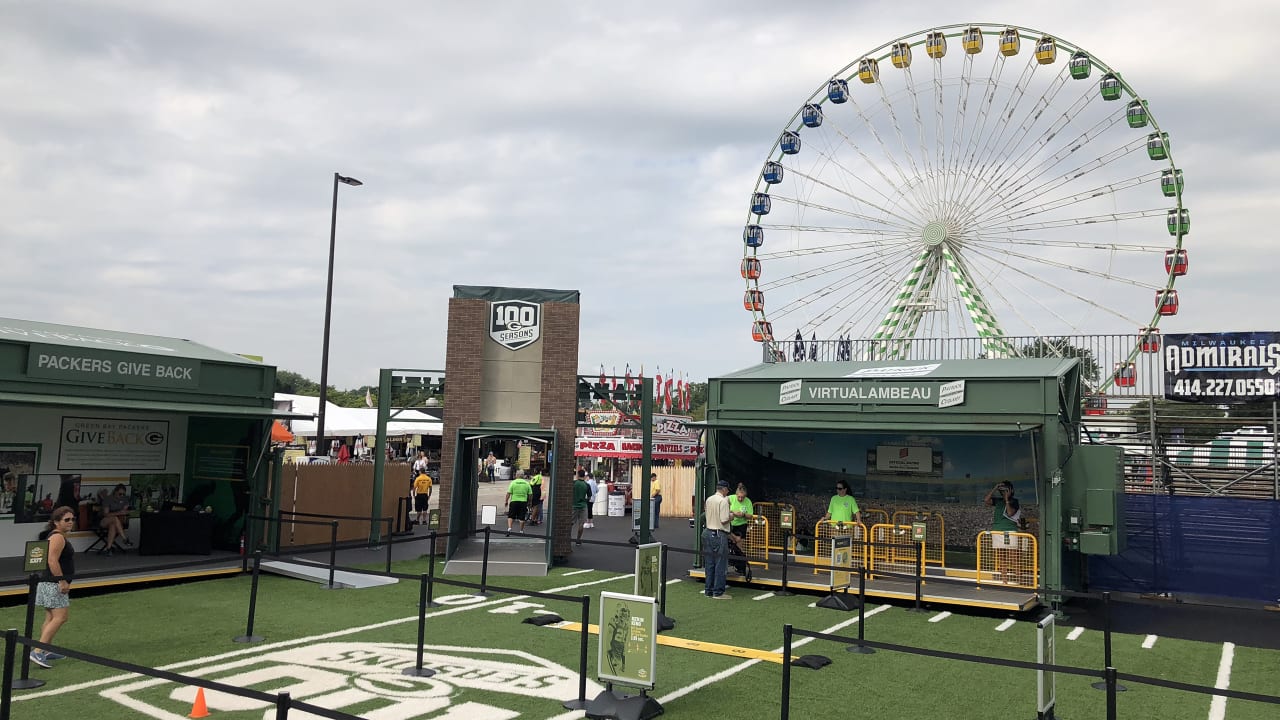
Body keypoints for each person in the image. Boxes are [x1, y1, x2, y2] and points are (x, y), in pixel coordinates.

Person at [31, 506, 76, 668]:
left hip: (49, 582)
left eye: (72, 519)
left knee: (50, 618)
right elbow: (52, 560)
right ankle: (37, 651)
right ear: (56, 522)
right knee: (61, 617)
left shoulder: (57, 536)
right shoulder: (58, 537)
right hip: (53, 584)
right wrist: (61, 581)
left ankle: (45, 650)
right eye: (66, 520)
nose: (70, 522)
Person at [702, 479, 733, 599]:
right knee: (720, 564)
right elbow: (724, 519)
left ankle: (708, 590)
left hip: (708, 532)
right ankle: (718, 592)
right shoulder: (723, 501)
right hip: (719, 533)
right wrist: (732, 516)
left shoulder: (709, 499)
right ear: (724, 489)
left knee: (709, 564)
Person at [728, 483, 754, 581]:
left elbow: (750, 516)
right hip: (731, 524)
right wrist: (734, 512)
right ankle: (731, 561)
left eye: (742, 497)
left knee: (738, 546)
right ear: (736, 494)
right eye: (738, 497)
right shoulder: (730, 498)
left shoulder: (748, 502)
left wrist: (743, 515)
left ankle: (741, 567)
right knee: (729, 543)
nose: (740, 499)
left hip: (741, 526)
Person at [98, 483, 133, 555]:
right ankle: (124, 539)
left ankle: (108, 549)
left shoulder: (124, 499)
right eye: (120, 494)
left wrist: (125, 510)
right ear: (115, 491)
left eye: (123, 494)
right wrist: (119, 513)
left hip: (117, 523)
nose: (122, 496)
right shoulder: (108, 499)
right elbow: (106, 514)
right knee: (114, 518)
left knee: (113, 525)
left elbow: (125, 510)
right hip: (104, 520)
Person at [504, 470, 532, 536]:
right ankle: (521, 531)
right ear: (523, 475)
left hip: (514, 501)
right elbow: (530, 494)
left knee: (511, 516)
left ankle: (509, 528)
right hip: (523, 502)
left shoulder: (513, 483)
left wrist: (506, 501)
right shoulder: (527, 483)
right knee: (521, 517)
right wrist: (530, 502)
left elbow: (508, 493)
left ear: (516, 475)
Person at [572, 471, 592, 546]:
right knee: (581, 524)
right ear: (584, 476)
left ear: (577, 475)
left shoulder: (574, 483)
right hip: (583, 506)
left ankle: (567, 538)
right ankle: (578, 539)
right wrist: (585, 500)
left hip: (574, 505)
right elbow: (589, 497)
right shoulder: (586, 485)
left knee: (571, 522)